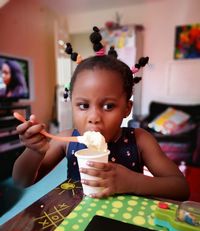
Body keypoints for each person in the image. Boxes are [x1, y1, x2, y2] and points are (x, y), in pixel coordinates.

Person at [12, 28, 189, 201]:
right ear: (72, 104)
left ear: (127, 108)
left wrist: (133, 182)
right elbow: (22, 182)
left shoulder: (141, 140)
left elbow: (181, 188)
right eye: (83, 105)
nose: (94, 117)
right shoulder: (64, 141)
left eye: (108, 106)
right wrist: (34, 152)